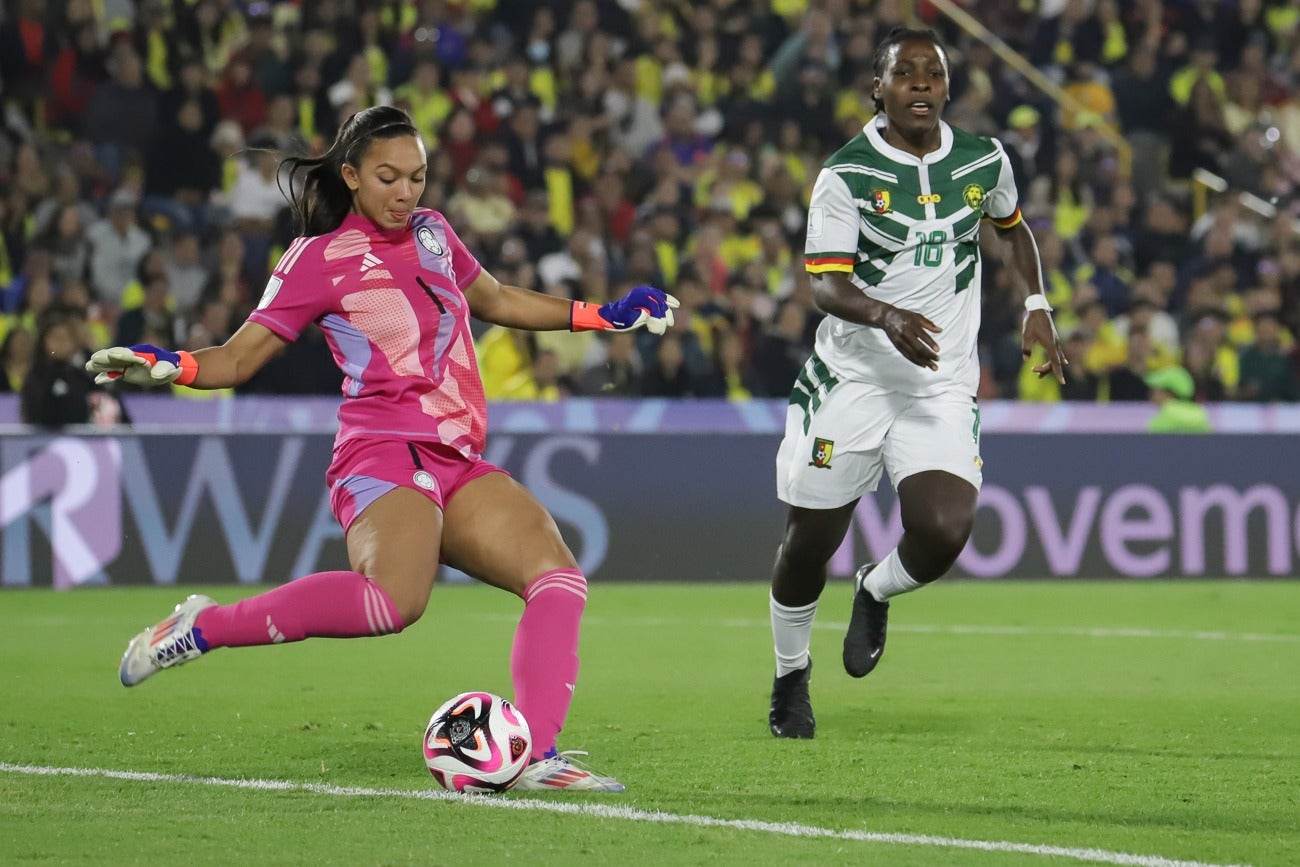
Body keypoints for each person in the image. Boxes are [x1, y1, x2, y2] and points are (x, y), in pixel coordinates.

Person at [87, 106, 678, 791]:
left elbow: (498, 299)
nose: (406, 192)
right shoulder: (318, 258)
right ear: (352, 176)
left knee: (559, 581)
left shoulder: (434, 234)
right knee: (395, 602)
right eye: (389, 177)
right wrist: (175, 366)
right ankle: (203, 626)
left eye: (418, 177)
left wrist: (602, 314)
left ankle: (535, 756)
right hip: (381, 451)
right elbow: (238, 359)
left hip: (455, 456)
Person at [766, 29, 1065, 739]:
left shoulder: (984, 158)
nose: (922, 85)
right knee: (809, 543)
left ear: (949, 88)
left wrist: (1037, 305)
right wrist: (885, 313)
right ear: (879, 88)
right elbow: (827, 287)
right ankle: (789, 676)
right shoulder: (845, 175)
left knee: (944, 529)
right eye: (907, 75)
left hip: (938, 380)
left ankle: (876, 588)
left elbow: (1013, 229)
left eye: (934, 73)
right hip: (853, 380)